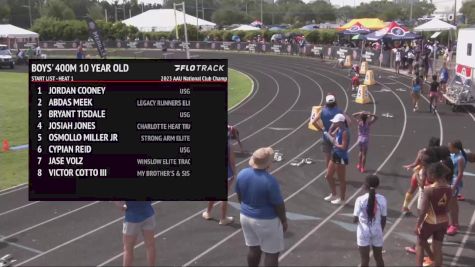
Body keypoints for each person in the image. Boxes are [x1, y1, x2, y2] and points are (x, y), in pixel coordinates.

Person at [236, 147, 287, 267]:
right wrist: (283, 220)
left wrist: (246, 208)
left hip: (245, 216)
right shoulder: (270, 181)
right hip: (266, 221)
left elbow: (239, 196)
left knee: (253, 249)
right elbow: (279, 204)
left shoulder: (242, 173)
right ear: (268, 163)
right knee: (271, 253)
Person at [415, 162, 452, 267]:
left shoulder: (429, 190)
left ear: (433, 175)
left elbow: (423, 211)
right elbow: (447, 207)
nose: (428, 176)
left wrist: (418, 224)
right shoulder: (449, 188)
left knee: (420, 244)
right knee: (437, 248)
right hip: (444, 221)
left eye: (428, 174)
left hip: (430, 221)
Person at [202, 130, 236, 225]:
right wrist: (234, 172)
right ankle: (223, 218)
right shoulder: (229, 145)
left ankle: (208, 213)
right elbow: (231, 160)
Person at [353, 175, 387, 267]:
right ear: (377, 186)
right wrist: (380, 230)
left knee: (364, 259)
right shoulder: (382, 199)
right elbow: (383, 218)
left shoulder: (360, 200)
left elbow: (355, 219)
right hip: (377, 230)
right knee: (378, 258)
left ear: (365, 185)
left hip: (363, 231)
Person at [402, 137, 440, 215]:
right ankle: (428, 211)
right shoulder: (437, 153)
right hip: (429, 175)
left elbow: (415, 163)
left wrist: (409, 166)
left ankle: (405, 206)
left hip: (418, 172)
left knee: (412, 189)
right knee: (430, 192)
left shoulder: (422, 151)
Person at [114, 201, 156, 267]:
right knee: (150, 245)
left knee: (128, 249)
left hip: (132, 218)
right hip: (149, 214)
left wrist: (126, 207)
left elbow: (122, 207)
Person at [311, 94, 344, 167]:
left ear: (326, 103)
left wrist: (320, 129)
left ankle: (328, 173)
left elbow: (313, 122)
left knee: (327, 157)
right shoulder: (339, 111)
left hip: (326, 136)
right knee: (338, 155)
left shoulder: (322, 111)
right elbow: (344, 122)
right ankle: (338, 171)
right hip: (337, 137)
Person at [324, 113, 350, 205]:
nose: (334, 123)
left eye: (335, 122)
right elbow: (331, 133)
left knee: (341, 179)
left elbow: (343, 147)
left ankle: (342, 199)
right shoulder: (339, 129)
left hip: (341, 157)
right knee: (328, 176)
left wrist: (334, 143)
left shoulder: (345, 132)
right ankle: (334, 194)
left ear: (340, 122)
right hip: (334, 154)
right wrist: (331, 128)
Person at [447, 140, 467, 235]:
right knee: (452, 204)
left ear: (456, 148)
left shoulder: (460, 158)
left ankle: (453, 225)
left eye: (450, 147)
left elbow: (460, 174)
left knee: (451, 205)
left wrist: (454, 186)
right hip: (450, 180)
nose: (449, 148)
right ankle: (454, 223)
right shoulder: (452, 155)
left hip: (454, 182)